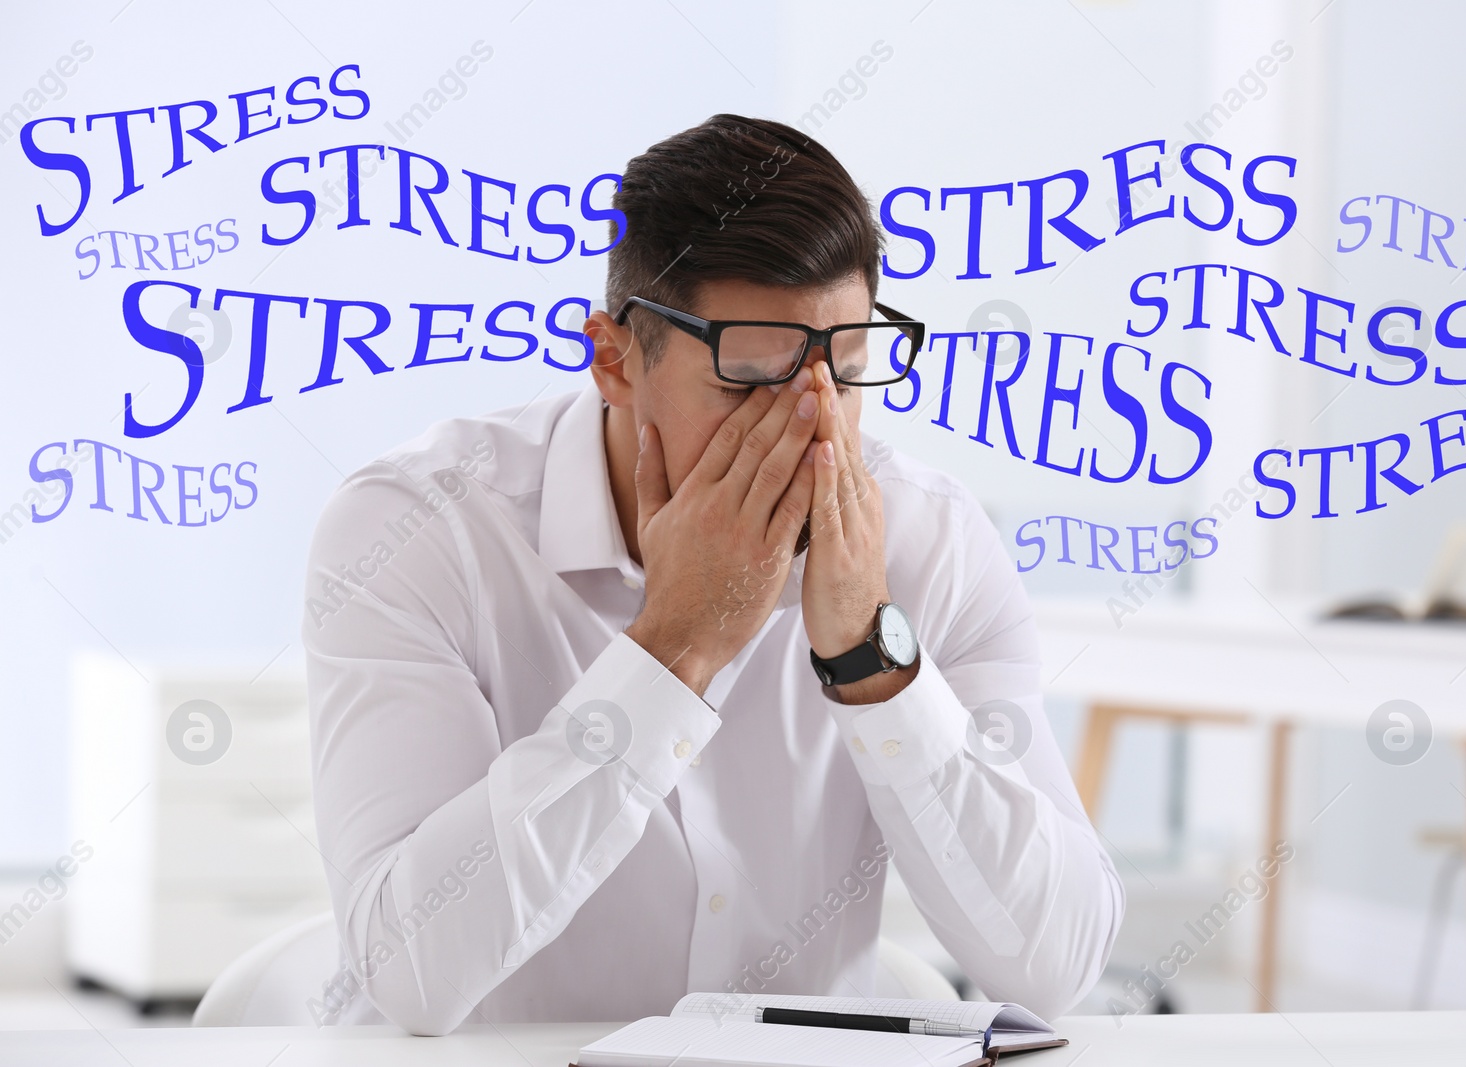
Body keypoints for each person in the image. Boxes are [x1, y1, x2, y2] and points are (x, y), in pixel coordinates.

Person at [301, 113, 1122, 1035]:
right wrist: (671, 653)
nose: (813, 432)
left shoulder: (935, 541)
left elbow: (1056, 964)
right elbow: (407, 970)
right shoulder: (420, 530)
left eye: (844, 374)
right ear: (614, 359)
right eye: (749, 384)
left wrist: (874, 664)